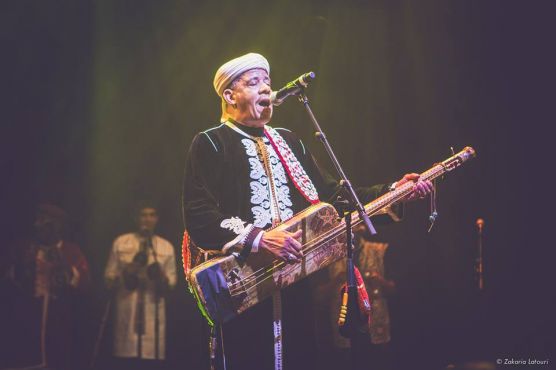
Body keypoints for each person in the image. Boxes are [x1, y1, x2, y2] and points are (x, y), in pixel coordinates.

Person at [183, 52, 432, 370]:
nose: (265, 89)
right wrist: (261, 239)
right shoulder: (211, 143)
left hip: (295, 283)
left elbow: (333, 197)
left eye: (268, 82)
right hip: (243, 284)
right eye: (254, 82)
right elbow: (199, 213)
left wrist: (394, 192)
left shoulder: (288, 141)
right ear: (230, 95)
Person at [3, 203, 90, 370]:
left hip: (58, 317)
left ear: (57, 226)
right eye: (38, 220)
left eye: (45, 222)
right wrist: (23, 266)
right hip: (25, 314)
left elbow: (84, 283)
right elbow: (6, 273)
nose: (38, 225)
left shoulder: (71, 250)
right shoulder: (22, 246)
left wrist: (63, 265)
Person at [104, 203, 177, 370]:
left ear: (157, 219)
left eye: (151, 215)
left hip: (153, 317)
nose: (147, 219)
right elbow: (108, 278)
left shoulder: (166, 247)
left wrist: (161, 277)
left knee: (150, 360)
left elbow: (172, 283)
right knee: (126, 361)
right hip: (127, 312)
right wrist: (127, 271)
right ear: (136, 218)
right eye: (143, 215)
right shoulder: (121, 242)